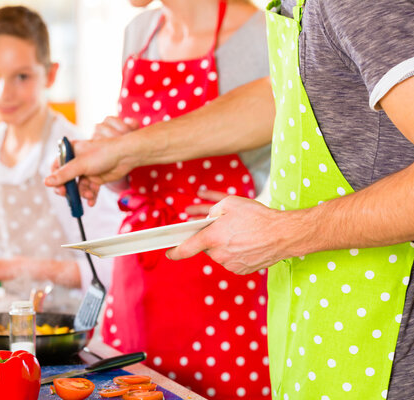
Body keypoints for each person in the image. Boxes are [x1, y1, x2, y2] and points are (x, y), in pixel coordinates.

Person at [46, 0, 414, 398]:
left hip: (398, 349)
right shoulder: (296, 7)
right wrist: (130, 149)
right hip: (314, 323)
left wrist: (283, 232)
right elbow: (285, 92)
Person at [88, 0, 272, 398]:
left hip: (223, 270)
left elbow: (297, 162)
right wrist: (114, 162)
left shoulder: (264, 34)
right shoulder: (139, 33)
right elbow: (137, 176)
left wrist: (266, 201)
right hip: (141, 268)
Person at [0, 6, 120, 310]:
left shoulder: (72, 154)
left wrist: (11, 267)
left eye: (22, 76)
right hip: (21, 328)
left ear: (50, 74)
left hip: (82, 331)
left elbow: (111, 264)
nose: (3, 92)